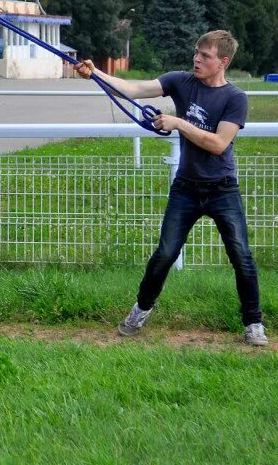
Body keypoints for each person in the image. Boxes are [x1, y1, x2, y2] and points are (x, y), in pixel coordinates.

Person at [73, 30, 267, 346]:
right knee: (165, 253)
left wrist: (177, 122)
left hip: (223, 189)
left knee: (241, 256)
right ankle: (141, 310)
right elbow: (133, 88)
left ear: (223, 62)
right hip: (186, 189)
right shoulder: (181, 81)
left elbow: (218, 144)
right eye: (196, 52)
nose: (197, 59)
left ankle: (254, 323)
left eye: (205, 56)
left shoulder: (235, 98)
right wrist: (95, 73)